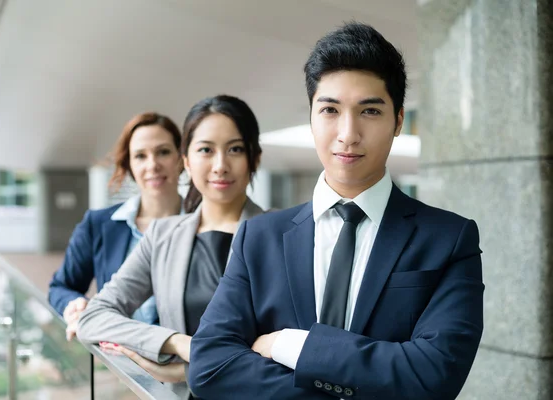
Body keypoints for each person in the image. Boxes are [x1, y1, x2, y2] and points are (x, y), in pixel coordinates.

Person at [188, 22, 484, 400]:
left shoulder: (448, 239)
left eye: (370, 111)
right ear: (311, 117)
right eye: (330, 109)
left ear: (397, 121)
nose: (347, 133)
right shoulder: (258, 237)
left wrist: (291, 346)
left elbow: (434, 376)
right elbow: (209, 365)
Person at [76, 94, 265, 400]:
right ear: (186, 161)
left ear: (254, 158)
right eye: (206, 150)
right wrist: (175, 343)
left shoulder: (282, 234)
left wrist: (188, 368)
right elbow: (93, 318)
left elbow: (290, 350)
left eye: (235, 149)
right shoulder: (163, 235)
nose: (220, 165)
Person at [48, 112, 183, 341]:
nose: (152, 165)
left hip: (187, 363)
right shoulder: (98, 224)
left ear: (181, 159)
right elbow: (61, 286)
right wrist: (75, 305)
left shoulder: (204, 224)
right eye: (140, 155)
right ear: (129, 164)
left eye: (163, 152)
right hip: (120, 362)